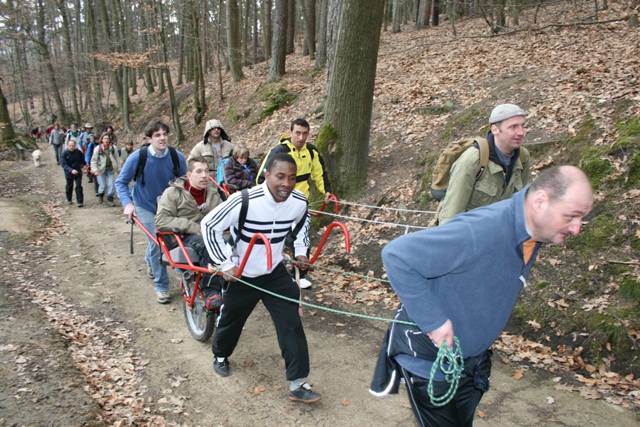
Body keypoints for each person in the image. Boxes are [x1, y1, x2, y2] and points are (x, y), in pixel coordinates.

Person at [371, 166, 594, 427]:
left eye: (582, 218)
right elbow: (397, 255)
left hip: (471, 361)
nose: (577, 228)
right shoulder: (481, 230)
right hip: (430, 360)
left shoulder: (532, 231)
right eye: (571, 216)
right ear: (539, 201)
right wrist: (435, 322)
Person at [201, 152, 321, 404]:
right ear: (266, 175)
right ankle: (220, 355)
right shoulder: (244, 200)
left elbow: (302, 226)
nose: (286, 184)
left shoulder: (298, 201)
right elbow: (209, 225)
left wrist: (300, 251)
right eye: (280, 177)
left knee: (291, 323)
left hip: (274, 272)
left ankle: (297, 383)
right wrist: (224, 264)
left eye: (291, 178)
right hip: (242, 273)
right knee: (231, 319)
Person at [115, 119, 187, 304]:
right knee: (157, 242)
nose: (162, 138)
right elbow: (121, 182)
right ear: (149, 139)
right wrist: (127, 204)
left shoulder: (176, 156)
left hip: (169, 207)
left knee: (176, 239)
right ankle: (162, 286)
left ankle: (155, 263)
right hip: (145, 205)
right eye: (157, 135)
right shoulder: (138, 157)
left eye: (165, 134)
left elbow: (185, 182)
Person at [257, 118, 333, 289]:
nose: (301, 137)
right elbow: (262, 178)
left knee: (301, 236)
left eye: (305, 133)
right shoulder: (278, 151)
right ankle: (270, 269)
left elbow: (319, 173)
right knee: (276, 236)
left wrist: (326, 191)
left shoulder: (311, 152)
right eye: (297, 133)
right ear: (290, 132)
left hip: (300, 203)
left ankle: (300, 273)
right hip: (277, 202)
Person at [435, 104, 532, 225]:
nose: (521, 132)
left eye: (522, 126)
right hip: (469, 236)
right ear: (495, 129)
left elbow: (519, 205)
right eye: (513, 127)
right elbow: (450, 216)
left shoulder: (523, 158)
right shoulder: (471, 162)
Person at [155, 157, 223, 308]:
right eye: (199, 171)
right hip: (182, 237)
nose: (204, 175)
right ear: (189, 175)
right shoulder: (173, 193)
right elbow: (161, 220)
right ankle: (211, 292)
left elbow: (225, 214)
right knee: (208, 243)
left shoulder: (213, 193)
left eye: (206, 171)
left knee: (235, 241)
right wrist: (192, 226)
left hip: (209, 234)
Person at [91, 132, 121, 207]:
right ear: (102, 140)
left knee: (111, 184)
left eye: (107, 138)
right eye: (105, 138)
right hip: (101, 169)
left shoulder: (113, 148)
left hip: (110, 169)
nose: (106, 140)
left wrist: (118, 169)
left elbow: (117, 159)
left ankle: (110, 199)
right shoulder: (98, 149)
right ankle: (101, 195)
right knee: (103, 185)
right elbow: (94, 160)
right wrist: (95, 170)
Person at [60, 139, 85, 207]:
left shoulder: (78, 152)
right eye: (70, 145)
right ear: (67, 146)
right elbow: (63, 164)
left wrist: (87, 165)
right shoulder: (64, 153)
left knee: (78, 186)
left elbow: (83, 160)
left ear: (75, 146)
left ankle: (80, 201)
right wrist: (71, 170)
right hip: (69, 172)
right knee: (69, 186)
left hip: (78, 172)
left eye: (73, 145)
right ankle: (69, 199)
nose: (71, 147)